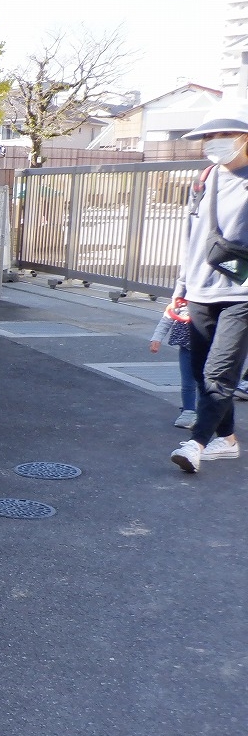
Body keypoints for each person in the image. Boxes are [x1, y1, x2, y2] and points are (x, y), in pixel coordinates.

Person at [169, 100, 248, 472]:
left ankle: (196, 444)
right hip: (201, 289)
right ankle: (227, 440)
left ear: (244, 137)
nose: (216, 141)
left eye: (226, 133)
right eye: (210, 135)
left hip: (242, 293)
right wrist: (181, 288)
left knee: (219, 373)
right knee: (203, 373)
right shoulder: (203, 179)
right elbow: (192, 236)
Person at [149, 296, 198, 428]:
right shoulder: (181, 300)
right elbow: (168, 317)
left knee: (205, 382)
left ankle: (203, 412)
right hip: (187, 346)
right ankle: (188, 410)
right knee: (187, 382)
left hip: (209, 347)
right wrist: (157, 338)